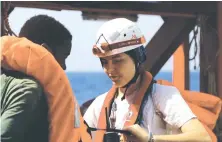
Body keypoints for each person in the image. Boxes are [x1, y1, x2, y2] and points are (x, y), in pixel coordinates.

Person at [83, 18, 212, 142]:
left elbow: (203, 138)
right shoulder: (99, 105)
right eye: (104, 62)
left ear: (137, 57)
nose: (109, 69)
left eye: (117, 60)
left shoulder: (162, 96)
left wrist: (151, 139)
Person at [1, 14, 80, 142]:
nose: (64, 67)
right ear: (45, 51)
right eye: (63, 57)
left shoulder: (5, 78)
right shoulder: (28, 89)